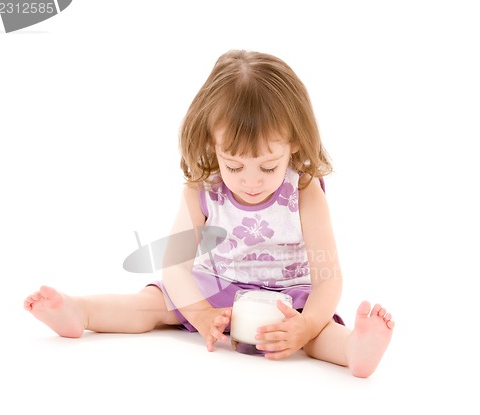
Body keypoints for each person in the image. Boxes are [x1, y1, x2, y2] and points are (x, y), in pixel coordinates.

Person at [24, 50, 394, 378]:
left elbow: (328, 278)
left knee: (316, 335)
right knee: (152, 303)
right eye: (234, 166)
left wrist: (308, 323)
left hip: (287, 298)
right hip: (215, 288)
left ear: (294, 142)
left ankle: (354, 350)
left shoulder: (304, 190)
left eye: (267, 167)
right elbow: (175, 267)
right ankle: (80, 311)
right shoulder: (203, 188)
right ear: (210, 144)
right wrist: (200, 313)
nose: (251, 182)